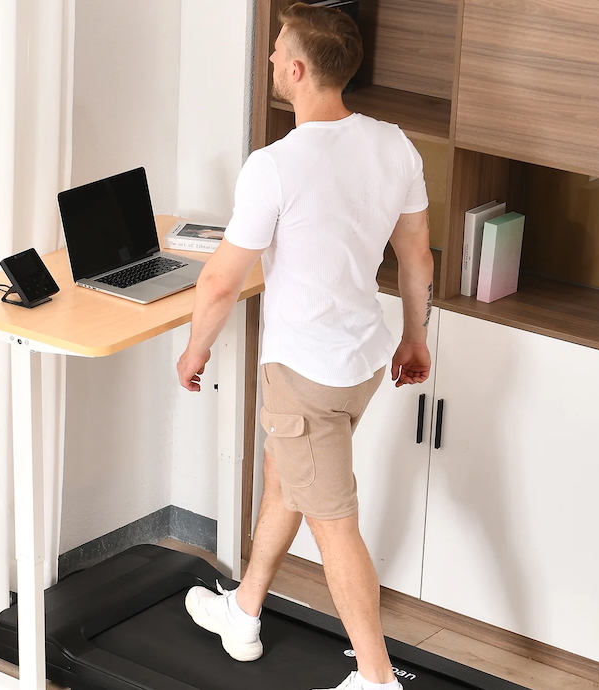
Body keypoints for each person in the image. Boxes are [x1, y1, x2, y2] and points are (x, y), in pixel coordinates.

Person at [176, 3, 434, 689]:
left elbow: (221, 281)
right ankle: (245, 610)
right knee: (285, 472)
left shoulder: (275, 165)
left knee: (332, 522)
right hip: (363, 361)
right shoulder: (395, 144)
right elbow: (416, 260)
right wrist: (415, 337)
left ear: (296, 70)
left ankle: (376, 677)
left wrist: (195, 350)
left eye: (277, 51)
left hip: (305, 372)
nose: (268, 61)